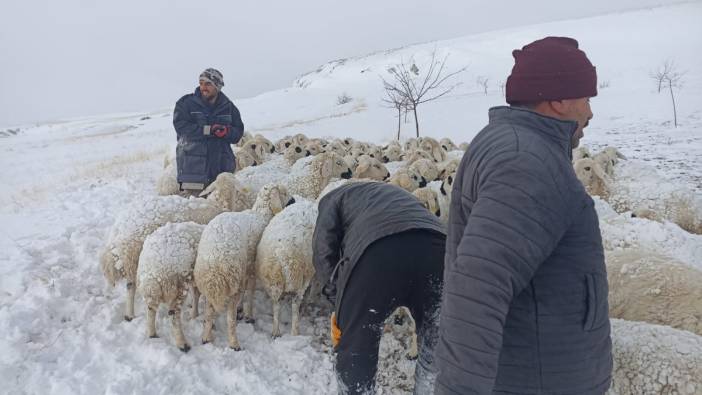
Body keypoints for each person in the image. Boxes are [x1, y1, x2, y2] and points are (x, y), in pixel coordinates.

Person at [434, 37, 612, 394]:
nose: (590, 112)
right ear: (559, 100)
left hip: (533, 366)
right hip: (538, 378)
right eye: (586, 98)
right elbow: (478, 289)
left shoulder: (511, 143)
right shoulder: (526, 161)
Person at [313, 181, 446, 394]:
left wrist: (339, 302)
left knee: (358, 349)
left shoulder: (332, 199)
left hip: (377, 256)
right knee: (437, 345)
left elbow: (323, 251)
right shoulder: (401, 195)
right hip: (438, 251)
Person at [173, 68, 244, 194]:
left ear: (217, 86)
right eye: (201, 83)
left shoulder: (228, 107)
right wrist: (208, 130)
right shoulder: (186, 104)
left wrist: (226, 131)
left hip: (222, 170)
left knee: (222, 209)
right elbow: (181, 127)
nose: (203, 87)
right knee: (196, 209)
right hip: (193, 171)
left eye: (208, 84)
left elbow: (238, 133)